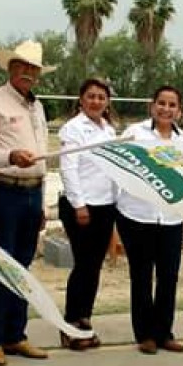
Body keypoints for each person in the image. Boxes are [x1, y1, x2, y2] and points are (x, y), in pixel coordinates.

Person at [0, 40, 55, 366]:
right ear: (10, 68)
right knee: (0, 264)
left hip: (33, 191)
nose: (28, 73)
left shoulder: (37, 107)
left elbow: (43, 156)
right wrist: (9, 156)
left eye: (33, 68)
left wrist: (43, 198)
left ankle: (15, 334)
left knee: (22, 267)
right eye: (22, 66)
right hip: (4, 190)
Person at [116, 85, 183, 355]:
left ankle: (164, 332)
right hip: (137, 216)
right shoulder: (134, 134)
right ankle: (145, 334)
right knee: (141, 276)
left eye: (172, 105)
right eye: (161, 103)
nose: (166, 109)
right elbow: (119, 169)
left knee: (168, 277)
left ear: (179, 111)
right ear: (152, 106)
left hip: (171, 219)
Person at [57, 78, 118, 350]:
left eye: (101, 97)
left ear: (107, 102)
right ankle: (70, 324)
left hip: (106, 205)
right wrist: (79, 205)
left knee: (93, 267)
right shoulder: (73, 129)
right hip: (81, 207)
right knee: (83, 266)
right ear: (81, 99)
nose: (96, 101)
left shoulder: (109, 130)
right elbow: (68, 168)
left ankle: (84, 319)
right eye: (91, 96)